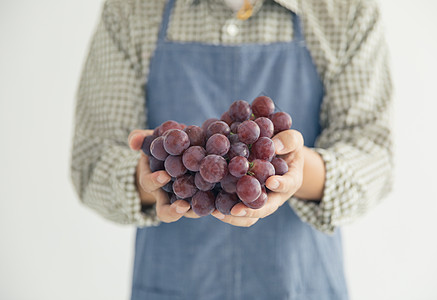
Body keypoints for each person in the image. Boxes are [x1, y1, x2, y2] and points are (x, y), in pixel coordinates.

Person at [71, 0, 393, 299]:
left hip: (301, 284)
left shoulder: (345, 10)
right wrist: (156, 178)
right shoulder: (131, 9)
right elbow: (91, 162)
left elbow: (374, 158)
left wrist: (294, 172)